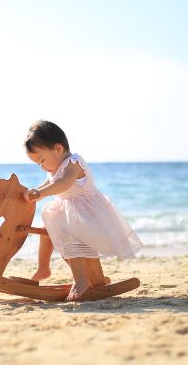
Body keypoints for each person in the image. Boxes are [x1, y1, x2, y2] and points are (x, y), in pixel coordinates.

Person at [22, 120, 143, 301]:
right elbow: (48, 182)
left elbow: (63, 183)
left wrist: (41, 193)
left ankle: (80, 280)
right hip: (67, 209)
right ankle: (43, 268)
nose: (42, 166)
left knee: (73, 240)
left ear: (58, 148)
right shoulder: (54, 167)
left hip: (84, 212)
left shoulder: (74, 163)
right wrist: (33, 191)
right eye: (38, 164)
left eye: (42, 160)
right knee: (46, 232)